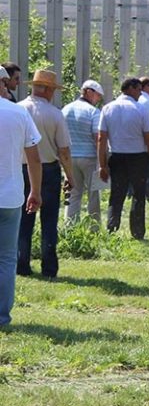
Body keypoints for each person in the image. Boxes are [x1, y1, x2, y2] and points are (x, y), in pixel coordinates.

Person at [16, 70, 74, 279]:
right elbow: (64, 151)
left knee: (23, 219)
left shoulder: (18, 109)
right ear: (49, 90)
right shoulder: (55, 114)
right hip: (49, 170)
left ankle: (21, 263)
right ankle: (49, 267)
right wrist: (70, 175)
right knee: (49, 220)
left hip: (21, 168)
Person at [0, 67, 42, 325]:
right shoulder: (18, 112)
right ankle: (2, 316)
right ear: (3, 83)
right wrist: (35, 191)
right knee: (5, 258)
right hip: (11, 196)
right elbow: (34, 159)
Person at [98, 77, 149, 240]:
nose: (141, 93)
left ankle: (112, 226)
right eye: (139, 89)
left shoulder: (107, 108)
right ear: (131, 88)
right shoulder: (140, 110)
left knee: (116, 193)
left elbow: (101, 139)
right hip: (138, 157)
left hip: (116, 156)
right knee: (139, 195)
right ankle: (137, 231)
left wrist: (102, 164)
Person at [61, 80, 104, 227]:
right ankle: (94, 227)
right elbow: (97, 137)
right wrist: (102, 161)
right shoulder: (93, 112)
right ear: (89, 92)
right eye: (98, 95)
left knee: (73, 193)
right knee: (94, 194)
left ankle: (70, 227)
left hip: (70, 157)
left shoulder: (65, 109)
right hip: (89, 157)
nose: (98, 99)